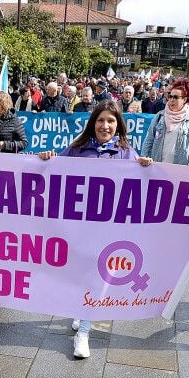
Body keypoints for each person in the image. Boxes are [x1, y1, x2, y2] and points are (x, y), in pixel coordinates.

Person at [37, 100, 153, 358]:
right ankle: (81, 311)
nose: (105, 125)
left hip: (107, 229)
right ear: (93, 123)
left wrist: (147, 168)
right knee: (80, 273)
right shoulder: (78, 149)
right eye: (100, 120)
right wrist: (46, 159)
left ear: (118, 125)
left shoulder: (126, 153)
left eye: (111, 121)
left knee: (95, 276)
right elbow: (53, 170)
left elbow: (143, 185)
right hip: (78, 228)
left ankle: (83, 332)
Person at [140, 78, 189, 166]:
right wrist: (144, 157)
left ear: (184, 100)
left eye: (176, 97)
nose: (172, 99)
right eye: (170, 96)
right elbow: (149, 138)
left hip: (179, 167)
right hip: (157, 164)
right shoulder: (160, 116)